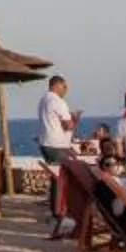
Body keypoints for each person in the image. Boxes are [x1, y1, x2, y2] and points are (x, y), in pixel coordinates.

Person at [36, 75, 78, 234]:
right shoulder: (58, 102)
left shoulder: (43, 100)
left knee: (56, 179)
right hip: (56, 144)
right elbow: (68, 125)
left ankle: (56, 211)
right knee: (63, 180)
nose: (66, 90)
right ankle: (60, 213)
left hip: (46, 143)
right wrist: (75, 119)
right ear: (58, 85)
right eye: (65, 87)